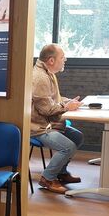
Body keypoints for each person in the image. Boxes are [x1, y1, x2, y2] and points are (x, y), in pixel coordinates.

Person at [30, 44, 84, 194]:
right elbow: (46, 109)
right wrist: (66, 107)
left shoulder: (48, 73)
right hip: (37, 127)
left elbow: (53, 100)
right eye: (62, 57)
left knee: (77, 136)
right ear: (51, 60)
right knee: (68, 147)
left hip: (48, 123)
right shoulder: (40, 78)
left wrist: (68, 102)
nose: (65, 60)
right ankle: (47, 178)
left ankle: (61, 172)